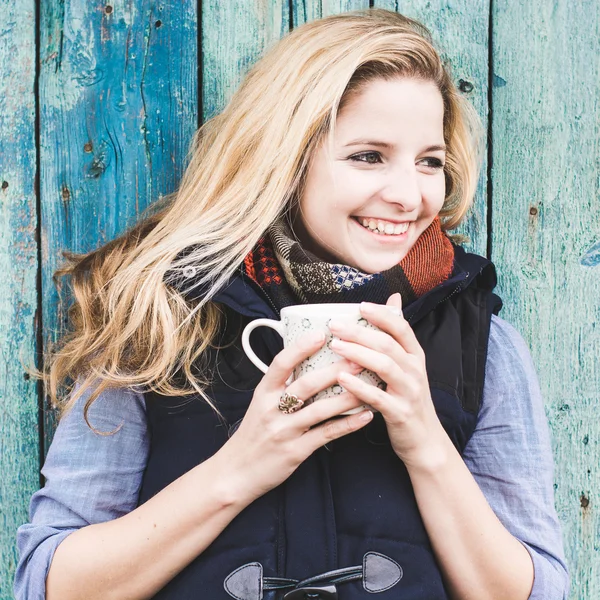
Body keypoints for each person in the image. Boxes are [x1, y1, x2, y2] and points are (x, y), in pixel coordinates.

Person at [16, 8, 569, 600]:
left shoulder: (481, 340)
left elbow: (538, 591)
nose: (410, 195)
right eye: (367, 156)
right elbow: (48, 585)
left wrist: (426, 443)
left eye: (429, 160)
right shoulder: (161, 315)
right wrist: (239, 469)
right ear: (287, 157)